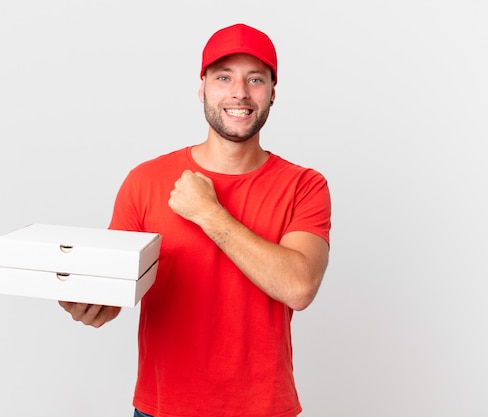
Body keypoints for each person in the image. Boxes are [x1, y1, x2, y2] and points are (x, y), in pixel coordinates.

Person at [59, 23, 332, 417]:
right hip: (163, 409)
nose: (239, 92)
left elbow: (298, 287)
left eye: (255, 79)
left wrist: (208, 212)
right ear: (201, 87)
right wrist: (90, 303)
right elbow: (114, 289)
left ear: (273, 93)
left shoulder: (304, 185)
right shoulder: (146, 180)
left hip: (263, 410)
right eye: (224, 77)